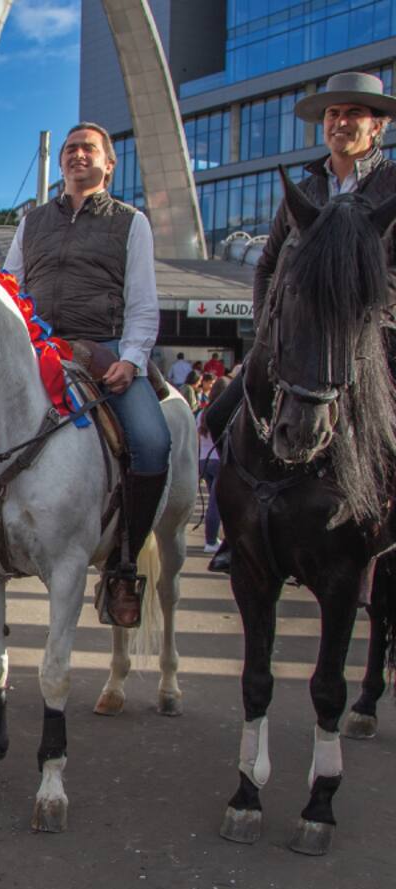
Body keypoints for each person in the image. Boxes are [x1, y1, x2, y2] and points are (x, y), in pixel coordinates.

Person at [205, 71, 396, 573]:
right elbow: (268, 264)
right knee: (221, 415)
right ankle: (237, 532)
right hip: (294, 341)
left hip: (368, 339)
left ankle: (383, 540)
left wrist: (359, 311)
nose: (341, 121)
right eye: (334, 114)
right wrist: (270, 327)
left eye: (354, 113)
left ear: (377, 127)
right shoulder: (307, 186)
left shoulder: (393, 184)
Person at [4, 122, 171, 628]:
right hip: (38, 350)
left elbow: (143, 302)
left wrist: (132, 359)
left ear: (109, 163)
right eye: (72, 149)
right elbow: (10, 288)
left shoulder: (130, 222)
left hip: (105, 349)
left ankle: (122, 567)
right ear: (61, 163)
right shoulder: (31, 222)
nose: (78, 156)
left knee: (152, 443)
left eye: (89, 149)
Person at [198, 377, 229, 554]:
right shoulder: (225, 412)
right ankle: (210, 541)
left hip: (204, 461)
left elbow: (197, 439)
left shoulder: (202, 413)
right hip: (219, 460)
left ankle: (214, 538)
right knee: (216, 504)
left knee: (214, 501)